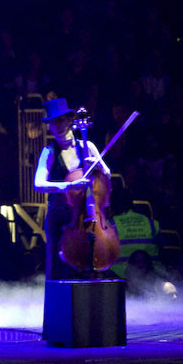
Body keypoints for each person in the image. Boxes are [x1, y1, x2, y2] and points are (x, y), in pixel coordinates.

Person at [33, 97, 111, 281]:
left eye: (59, 120)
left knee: (84, 264)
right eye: (52, 122)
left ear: (70, 120)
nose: (56, 126)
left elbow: (107, 174)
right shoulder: (49, 151)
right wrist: (68, 186)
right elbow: (39, 184)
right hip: (59, 217)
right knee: (58, 268)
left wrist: (98, 166)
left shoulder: (87, 146)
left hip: (85, 215)